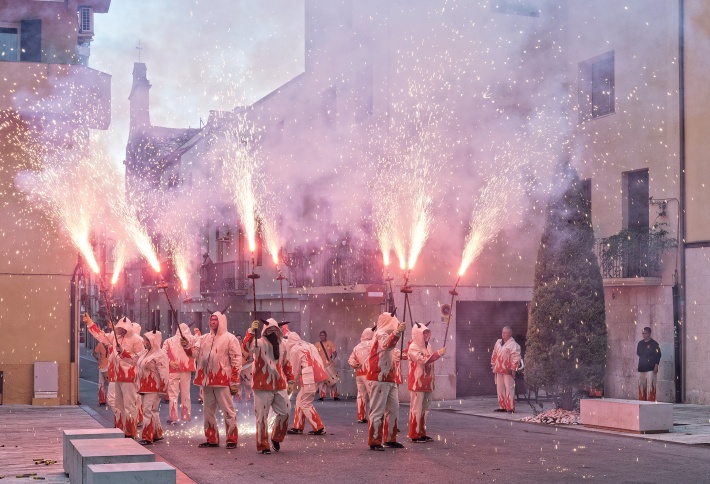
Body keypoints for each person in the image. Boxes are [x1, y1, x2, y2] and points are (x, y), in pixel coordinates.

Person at [184, 311, 241, 449]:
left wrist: (234, 381)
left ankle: (232, 439)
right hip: (206, 380)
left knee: (228, 411)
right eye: (211, 319)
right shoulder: (203, 338)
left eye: (215, 320)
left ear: (221, 321)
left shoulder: (230, 338)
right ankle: (211, 439)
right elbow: (195, 355)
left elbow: (236, 360)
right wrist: (186, 346)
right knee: (208, 411)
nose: (212, 322)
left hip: (223, 380)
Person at [83, 315, 144, 438]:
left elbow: (139, 359)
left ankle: (131, 431)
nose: (120, 331)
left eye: (123, 329)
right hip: (116, 375)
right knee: (119, 405)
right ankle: (120, 428)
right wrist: (90, 323)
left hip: (130, 377)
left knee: (129, 405)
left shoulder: (137, 340)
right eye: (119, 328)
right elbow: (101, 336)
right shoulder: (115, 337)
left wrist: (124, 353)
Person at [243, 318, 294, 454]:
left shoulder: (282, 344)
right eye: (270, 330)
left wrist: (291, 380)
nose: (272, 332)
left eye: (275, 330)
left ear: (278, 331)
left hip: (279, 385)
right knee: (262, 417)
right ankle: (263, 445)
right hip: (262, 385)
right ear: (265, 331)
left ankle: (276, 437)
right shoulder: (258, 343)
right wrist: (251, 331)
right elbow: (247, 347)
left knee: (285, 411)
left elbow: (286, 363)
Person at [366, 310, 406, 451]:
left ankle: (390, 438)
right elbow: (387, 345)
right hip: (378, 377)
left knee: (393, 409)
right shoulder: (380, 334)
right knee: (378, 410)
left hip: (389, 377)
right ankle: (374, 441)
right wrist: (397, 333)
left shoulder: (386, 334)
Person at [407, 322, 446, 442]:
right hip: (417, 382)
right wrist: (438, 354)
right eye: (423, 333)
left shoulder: (428, 346)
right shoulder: (413, 346)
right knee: (416, 408)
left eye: (426, 333)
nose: (425, 336)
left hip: (428, 382)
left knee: (425, 408)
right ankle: (414, 433)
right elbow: (423, 360)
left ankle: (422, 432)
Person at [284, 332, 328, 435]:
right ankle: (298, 426)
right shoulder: (309, 344)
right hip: (319, 373)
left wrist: (291, 382)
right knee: (300, 399)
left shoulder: (295, 349)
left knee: (305, 402)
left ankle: (319, 427)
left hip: (309, 376)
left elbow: (294, 368)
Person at [136, 330, 169, 445]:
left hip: (154, 387)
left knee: (148, 411)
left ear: (153, 341)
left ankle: (147, 437)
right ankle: (157, 434)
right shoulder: (145, 352)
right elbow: (133, 359)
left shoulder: (160, 355)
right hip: (144, 386)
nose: (144, 341)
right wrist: (122, 353)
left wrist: (163, 389)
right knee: (152, 411)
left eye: (146, 339)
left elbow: (164, 373)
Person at [162, 323, 195, 423]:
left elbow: (162, 354)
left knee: (173, 394)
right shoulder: (192, 340)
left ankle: (173, 417)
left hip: (173, 369)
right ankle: (186, 416)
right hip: (186, 369)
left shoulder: (168, 341)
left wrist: (169, 361)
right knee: (186, 394)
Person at [491, 326, 522, 413]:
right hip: (498, 369)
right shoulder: (498, 342)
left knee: (509, 388)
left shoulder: (513, 345)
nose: (503, 334)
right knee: (500, 388)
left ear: (510, 334)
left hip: (508, 370)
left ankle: (510, 407)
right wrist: (493, 365)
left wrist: (513, 369)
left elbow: (516, 357)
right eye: (502, 332)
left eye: (505, 333)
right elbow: (494, 354)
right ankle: (502, 406)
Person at [348, 326, 375, 423]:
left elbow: (350, 360)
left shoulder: (357, 347)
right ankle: (373, 416)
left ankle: (360, 416)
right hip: (369, 373)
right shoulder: (373, 344)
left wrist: (356, 365)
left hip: (359, 373)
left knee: (361, 395)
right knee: (372, 394)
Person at [637, 326, 661, 401]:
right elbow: (638, 353)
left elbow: (658, 355)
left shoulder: (655, 344)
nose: (644, 335)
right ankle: (642, 400)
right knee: (641, 385)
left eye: (646, 333)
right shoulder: (640, 343)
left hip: (651, 367)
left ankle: (651, 401)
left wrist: (656, 365)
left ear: (650, 334)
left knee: (651, 385)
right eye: (643, 333)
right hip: (642, 367)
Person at [314, 330, 339, 401]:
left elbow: (335, 353)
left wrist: (333, 357)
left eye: (323, 335)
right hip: (321, 366)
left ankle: (335, 396)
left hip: (329, 365)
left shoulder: (330, 343)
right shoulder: (317, 344)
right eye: (321, 335)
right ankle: (322, 396)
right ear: (319, 336)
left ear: (326, 336)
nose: (322, 337)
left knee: (333, 380)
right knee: (322, 381)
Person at [235, 334, 254, 402]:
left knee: (248, 384)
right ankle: (238, 399)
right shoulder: (232, 347)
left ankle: (248, 399)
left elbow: (251, 358)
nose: (238, 340)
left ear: (242, 340)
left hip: (247, 368)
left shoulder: (246, 347)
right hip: (237, 369)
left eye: (239, 339)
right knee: (238, 384)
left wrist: (247, 360)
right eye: (236, 339)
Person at [92, 334, 109, 406]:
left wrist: (98, 359)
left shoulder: (100, 344)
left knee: (102, 383)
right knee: (112, 384)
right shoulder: (111, 345)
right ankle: (112, 399)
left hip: (102, 366)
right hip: (110, 366)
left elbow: (94, 353)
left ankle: (102, 400)